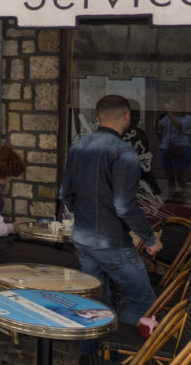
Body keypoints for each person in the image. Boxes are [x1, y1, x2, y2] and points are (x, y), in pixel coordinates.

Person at [61, 94, 162, 334]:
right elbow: (124, 206)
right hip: (112, 243)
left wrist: (84, 216)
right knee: (146, 303)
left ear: (97, 118)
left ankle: (92, 358)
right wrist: (149, 239)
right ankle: (113, 352)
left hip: (83, 239)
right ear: (127, 117)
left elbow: (65, 194)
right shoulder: (124, 152)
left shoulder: (78, 148)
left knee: (94, 306)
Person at [0, 146, 79, 268]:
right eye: (11, 174)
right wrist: (14, 227)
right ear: (3, 170)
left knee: (59, 246)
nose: (10, 179)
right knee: (70, 260)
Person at [157, 102, 191, 201]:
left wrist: (169, 113)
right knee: (169, 178)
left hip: (180, 149)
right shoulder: (167, 118)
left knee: (180, 178)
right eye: (171, 106)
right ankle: (171, 196)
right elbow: (159, 127)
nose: (172, 108)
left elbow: (178, 125)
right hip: (166, 149)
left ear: (182, 108)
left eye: (174, 106)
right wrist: (158, 115)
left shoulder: (188, 118)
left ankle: (183, 198)